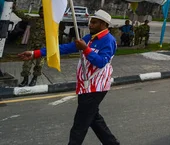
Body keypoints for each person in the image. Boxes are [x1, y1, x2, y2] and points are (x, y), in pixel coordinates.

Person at [18, 10, 119, 145]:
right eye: (91, 22)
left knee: (80, 125)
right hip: (86, 85)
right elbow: (65, 48)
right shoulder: (90, 38)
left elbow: (101, 62)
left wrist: (85, 49)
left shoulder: (109, 40)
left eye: (94, 22)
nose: (90, 25)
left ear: (104, 24)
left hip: (96, 87)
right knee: (94, 119)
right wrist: (35, 53)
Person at [18, 7, 45, 87]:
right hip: (31, 44)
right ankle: (25, 79)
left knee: (39, 64)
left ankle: (35, 78)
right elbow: (23, 16)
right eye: (40, 11)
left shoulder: (50, 22)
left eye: (43, 11)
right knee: (27, 63)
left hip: (42, 46)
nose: (41, 12)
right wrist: (14, 8)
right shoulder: (34, 19)